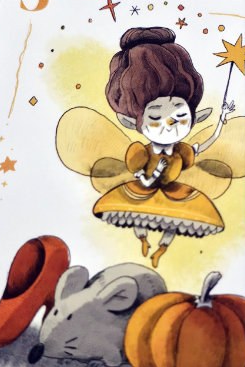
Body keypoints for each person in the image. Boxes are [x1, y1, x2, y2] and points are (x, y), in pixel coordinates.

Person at [90, 27, 232, 268]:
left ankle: (161, 250)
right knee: (138, 217)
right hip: (143, 189)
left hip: (173, 193)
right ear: (134, 122)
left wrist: (221, 121)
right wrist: (150, 175)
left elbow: (206, 143)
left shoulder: (181, 152)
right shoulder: (141, 152)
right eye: (156, 118)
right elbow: (140, 174)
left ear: (193, 117)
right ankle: (143, 240)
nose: (169, 126)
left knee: (174, 222)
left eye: (179, 117)